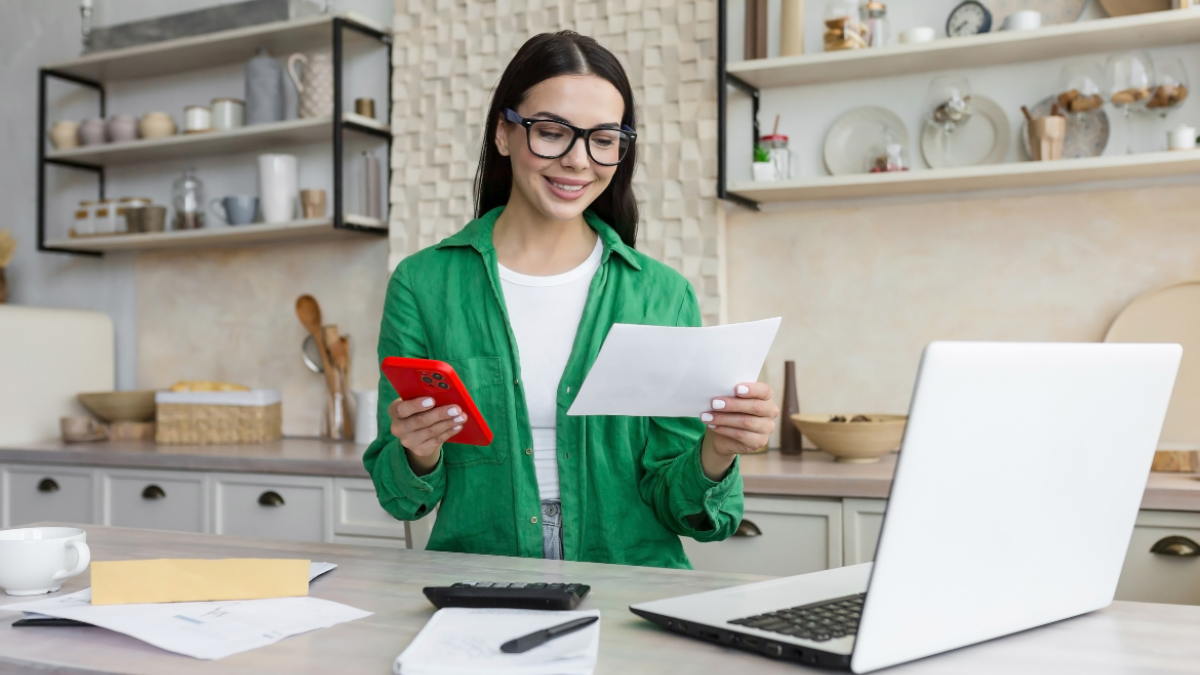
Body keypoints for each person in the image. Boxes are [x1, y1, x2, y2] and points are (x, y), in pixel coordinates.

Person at [363, 31, 780, 569]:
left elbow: (686, 513)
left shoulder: (662, 295)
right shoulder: (423, 285)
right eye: (553, 132)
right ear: (503, 134)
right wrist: (420, 451)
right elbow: (402, 497)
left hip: (631, 587)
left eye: (604, 139)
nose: (580, 161)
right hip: (482, 583)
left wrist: (718, 450)